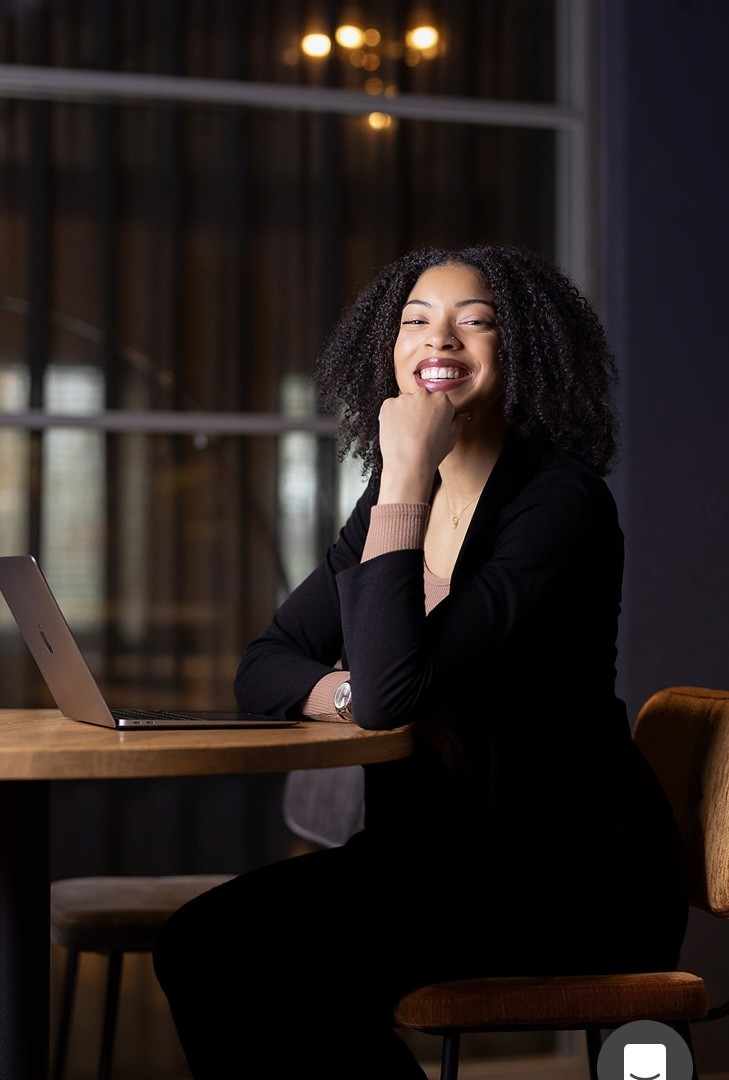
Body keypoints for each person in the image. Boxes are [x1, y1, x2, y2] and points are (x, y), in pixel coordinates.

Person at [153, 244, 688, 1079]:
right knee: (195, 944)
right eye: (415, 321)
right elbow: (264, 665)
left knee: (270, 968)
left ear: (524, 349)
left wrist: (404, 470)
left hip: (557, 872)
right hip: (432, 858)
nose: (439, 340)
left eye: (475, 322)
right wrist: (351, 691)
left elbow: (392, 691)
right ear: (388, 346)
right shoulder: (389, 502)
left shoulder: (557, 504)